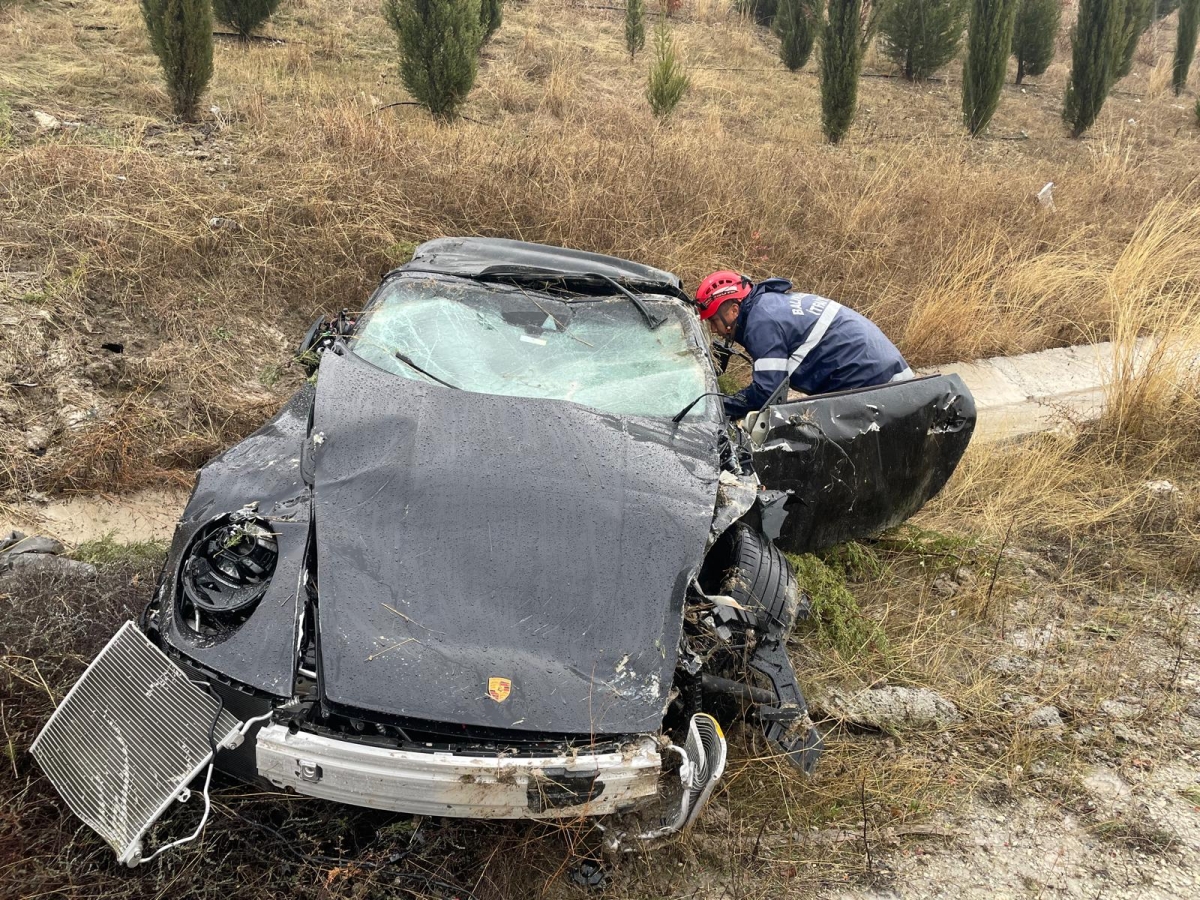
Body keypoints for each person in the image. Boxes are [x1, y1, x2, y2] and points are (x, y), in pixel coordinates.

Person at [694, 270, 914, 420]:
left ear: (733, 310)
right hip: (886, 369)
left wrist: (717, 408)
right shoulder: (769, 304)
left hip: (871, 380)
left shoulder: (761, 323)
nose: (714, 330)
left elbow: (766, 393)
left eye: (714, 320)